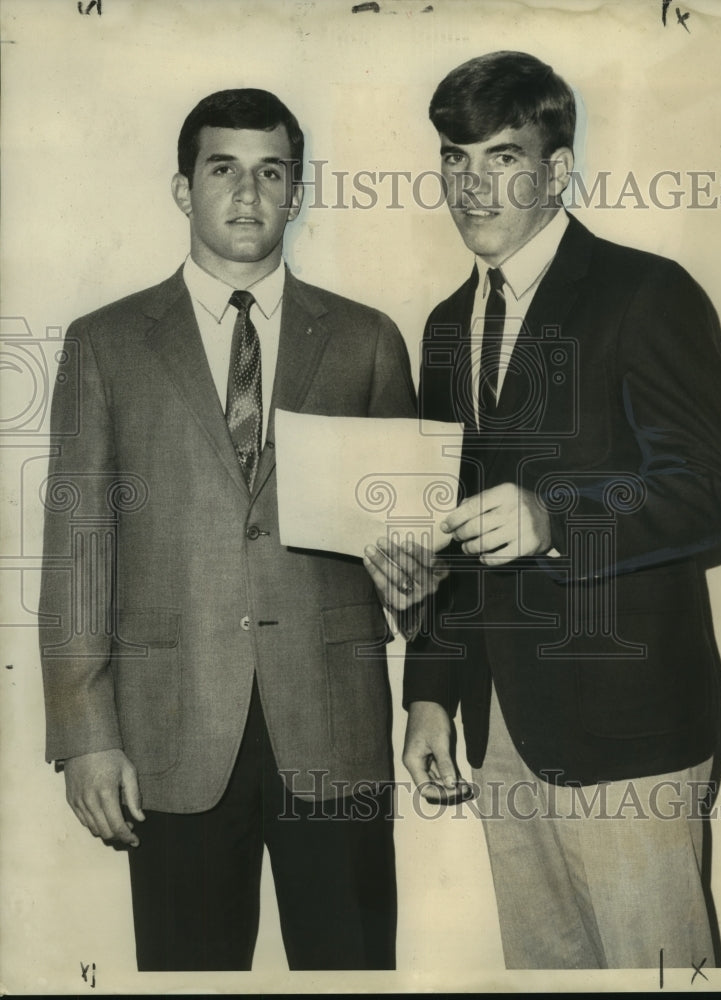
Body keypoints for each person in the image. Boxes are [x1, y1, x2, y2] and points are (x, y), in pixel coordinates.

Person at [365, 51, 721, 970]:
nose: (471, 185)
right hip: (501, 733)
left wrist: (555, 521)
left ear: (558, 169)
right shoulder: (443, 327)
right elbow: (448, 530)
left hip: (633, 738)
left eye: (501, 156)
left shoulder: (646, 292)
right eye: (454, 160)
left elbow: (717, 497)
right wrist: (427, 692)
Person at [38, 88, 418, 972]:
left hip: (335, 731)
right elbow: (78, 553)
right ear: (183, 189)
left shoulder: (366, 341)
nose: (248, 194)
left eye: (270, 171)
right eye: (223, 169)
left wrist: (420, 583)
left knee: (353, 973)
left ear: (296, 192)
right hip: (172, 732)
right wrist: (84, 734)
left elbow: (409, 550)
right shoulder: (107, 345)